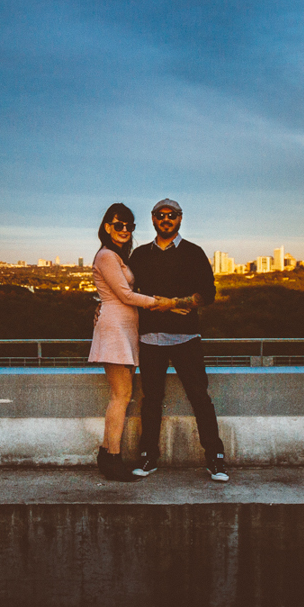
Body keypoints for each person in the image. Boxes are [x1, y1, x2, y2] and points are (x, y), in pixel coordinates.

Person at [88, 203, 189, 482]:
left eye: (129, 226)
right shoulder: (107, 256)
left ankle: (107, 454)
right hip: (116, 329)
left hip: (124, 327)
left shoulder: (117, 256)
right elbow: (126, 295)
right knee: (121, 397)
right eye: (118, 225)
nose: (124, 230)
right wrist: (165, 304)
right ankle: (112, 459)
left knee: (120, 396)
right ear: (107, 227)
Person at [128, 198, 228, 482]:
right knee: (151, 401)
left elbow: (207, 294)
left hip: (186, 338)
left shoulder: (193, 253)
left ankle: (216, 458)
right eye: (161, 215)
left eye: (172, 215)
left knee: (200, 398)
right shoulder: (140, 255)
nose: (166, 219)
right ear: (152, 219)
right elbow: (128, 292)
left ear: (181, 219)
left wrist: (171, 302)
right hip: (149, 339)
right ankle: (148, 457)